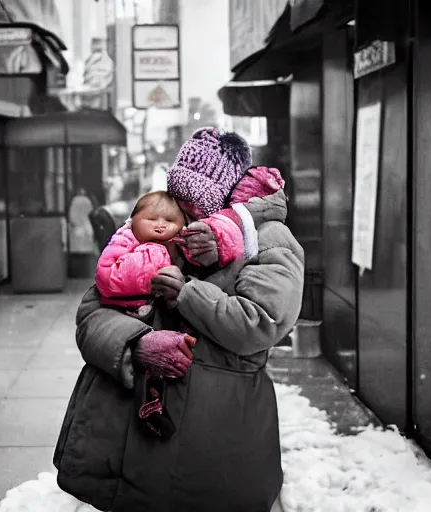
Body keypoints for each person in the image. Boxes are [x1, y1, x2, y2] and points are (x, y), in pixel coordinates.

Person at [54, 127, 304, 512]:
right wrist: (135, 342)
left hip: (214, 447)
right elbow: (91, 312)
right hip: (135, 440)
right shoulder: (157, 224)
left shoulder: (266, 237)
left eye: (193, 203)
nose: (180, 213)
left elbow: (263, 321)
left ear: (222, 195)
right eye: (177, 196)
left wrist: (187, 293)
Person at [95, 190, 251, 312]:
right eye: (151, 219)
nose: (160, 225)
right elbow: (106, 275)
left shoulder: (184, 248)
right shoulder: (128, 240)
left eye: (169, 221)